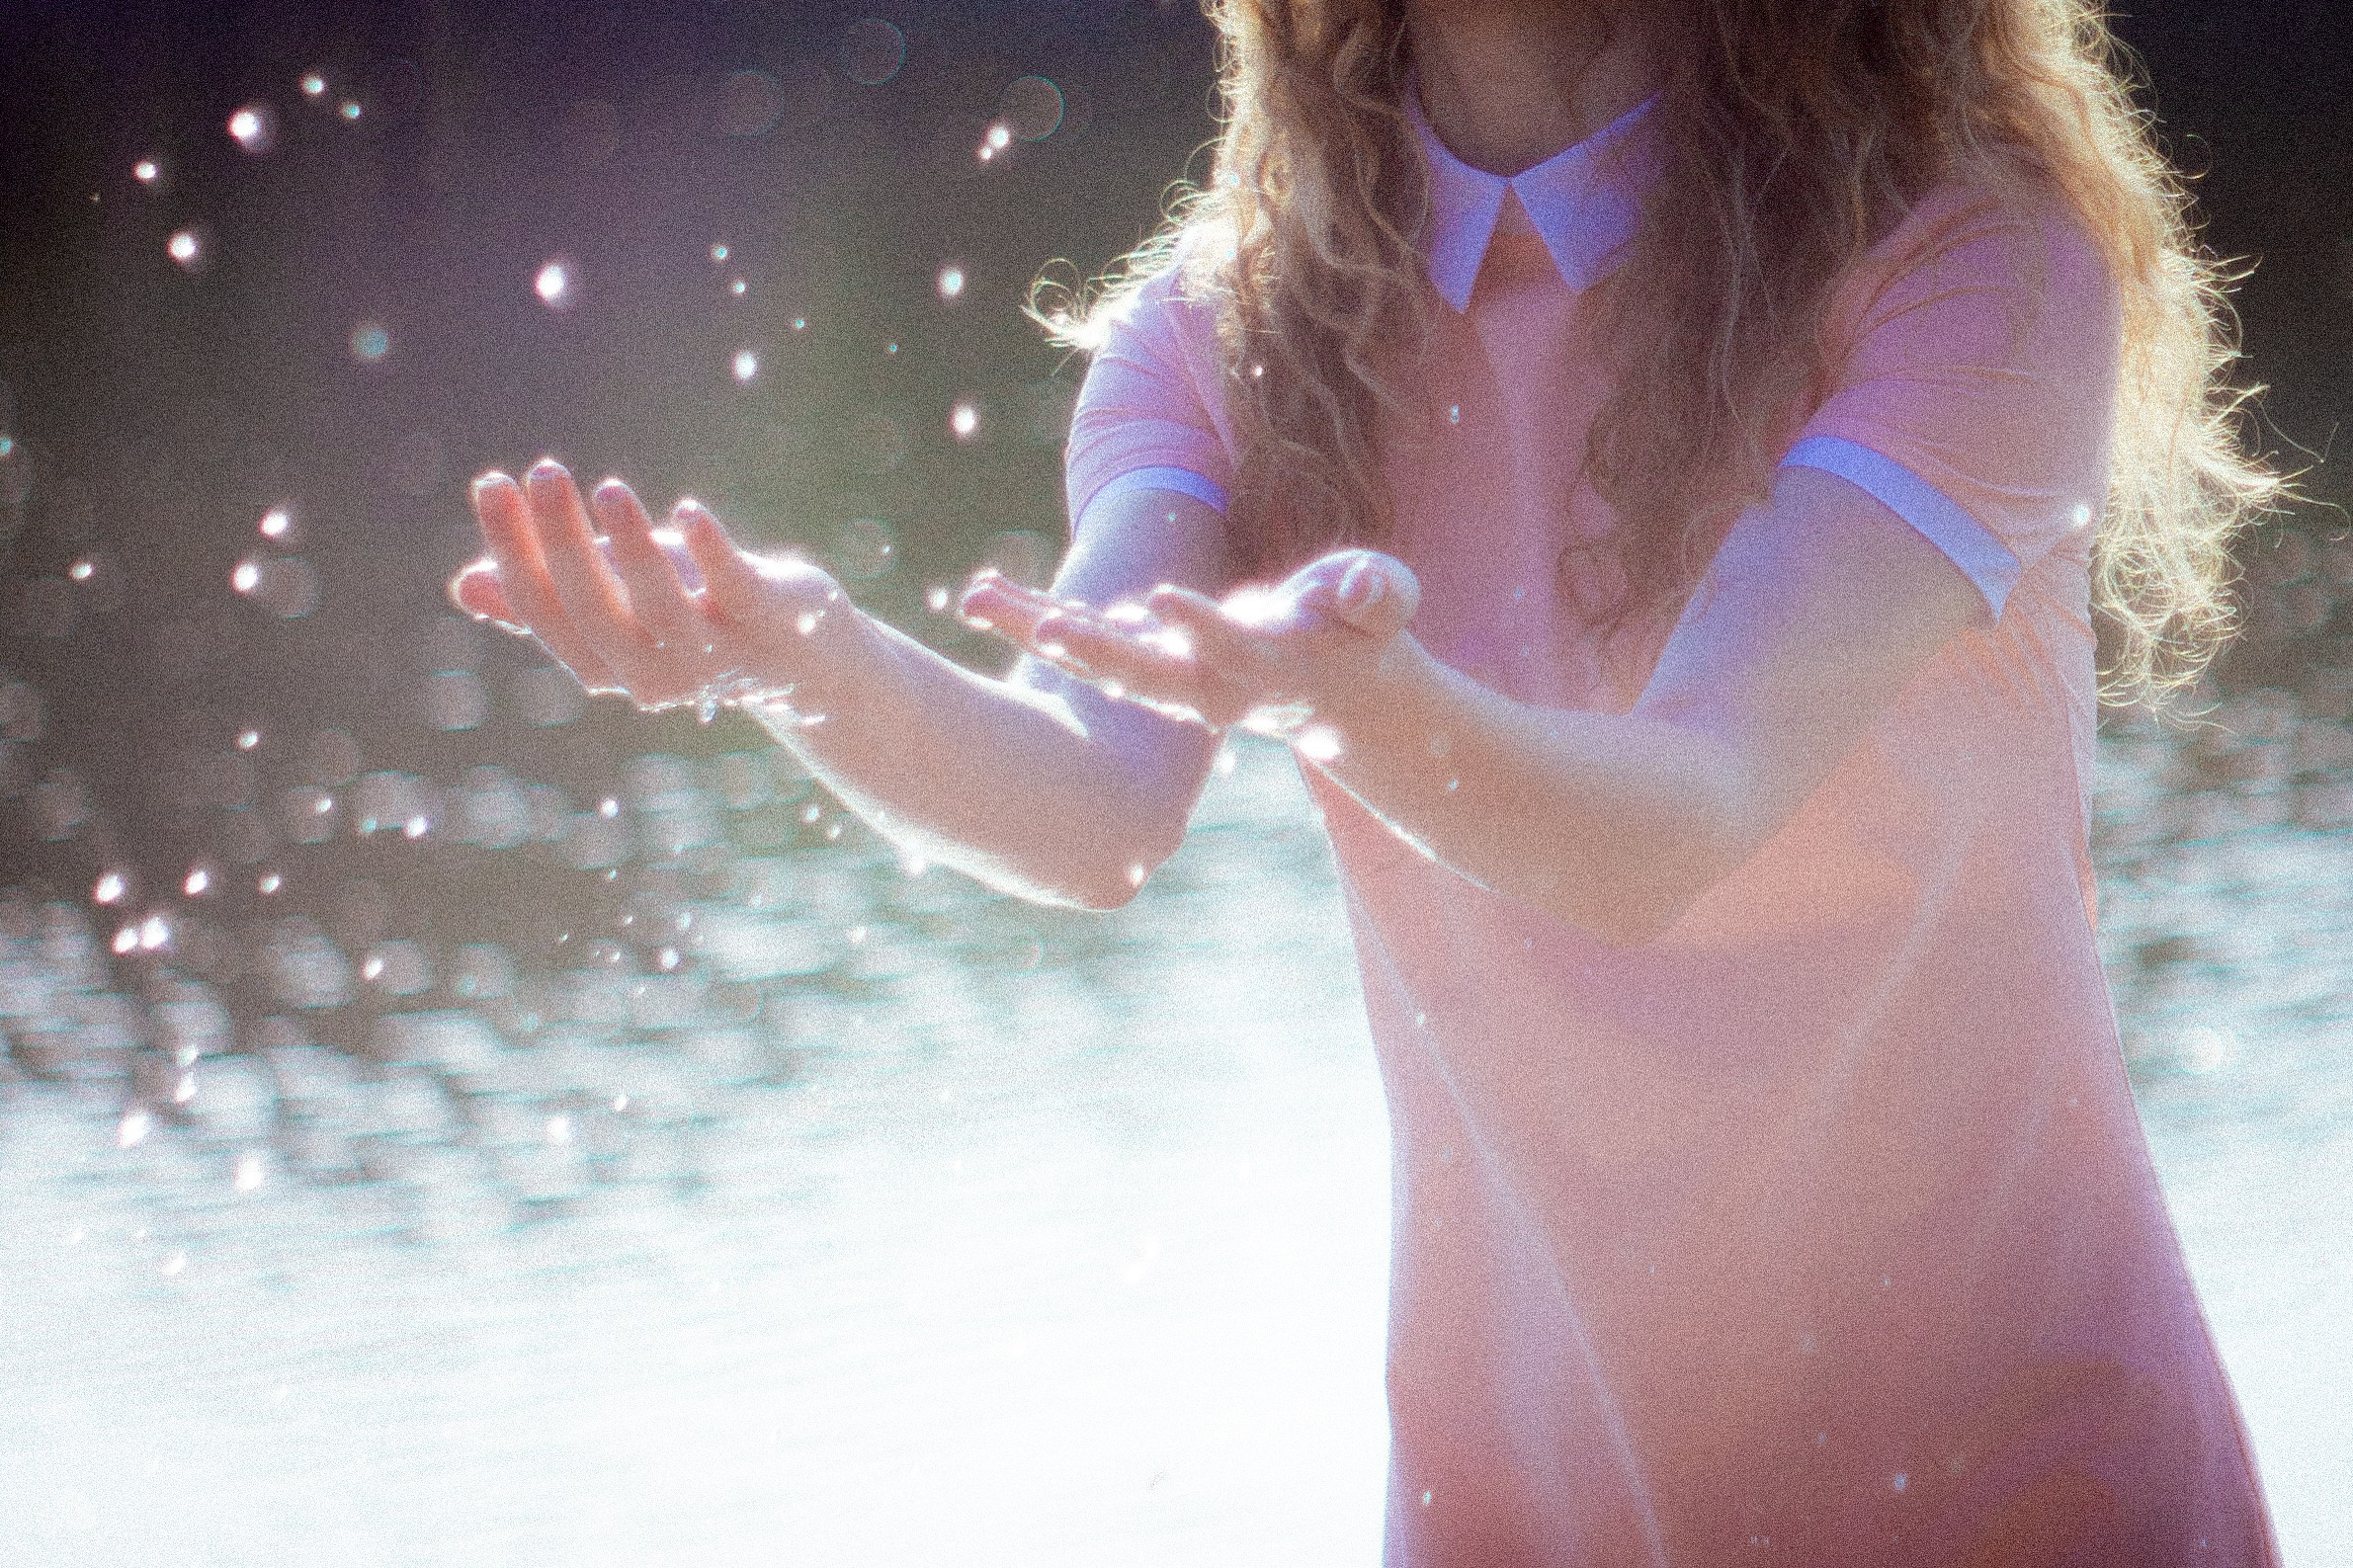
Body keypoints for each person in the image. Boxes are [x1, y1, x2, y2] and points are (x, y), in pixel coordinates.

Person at [451, 0, 2287, 1559]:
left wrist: (1357, 708)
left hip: (2023, 1490)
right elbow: (1088, 808)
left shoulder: (1964, 251)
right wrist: (800, 654)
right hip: (1520, 1509)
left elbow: (1686, 816)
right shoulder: (1227, 328)